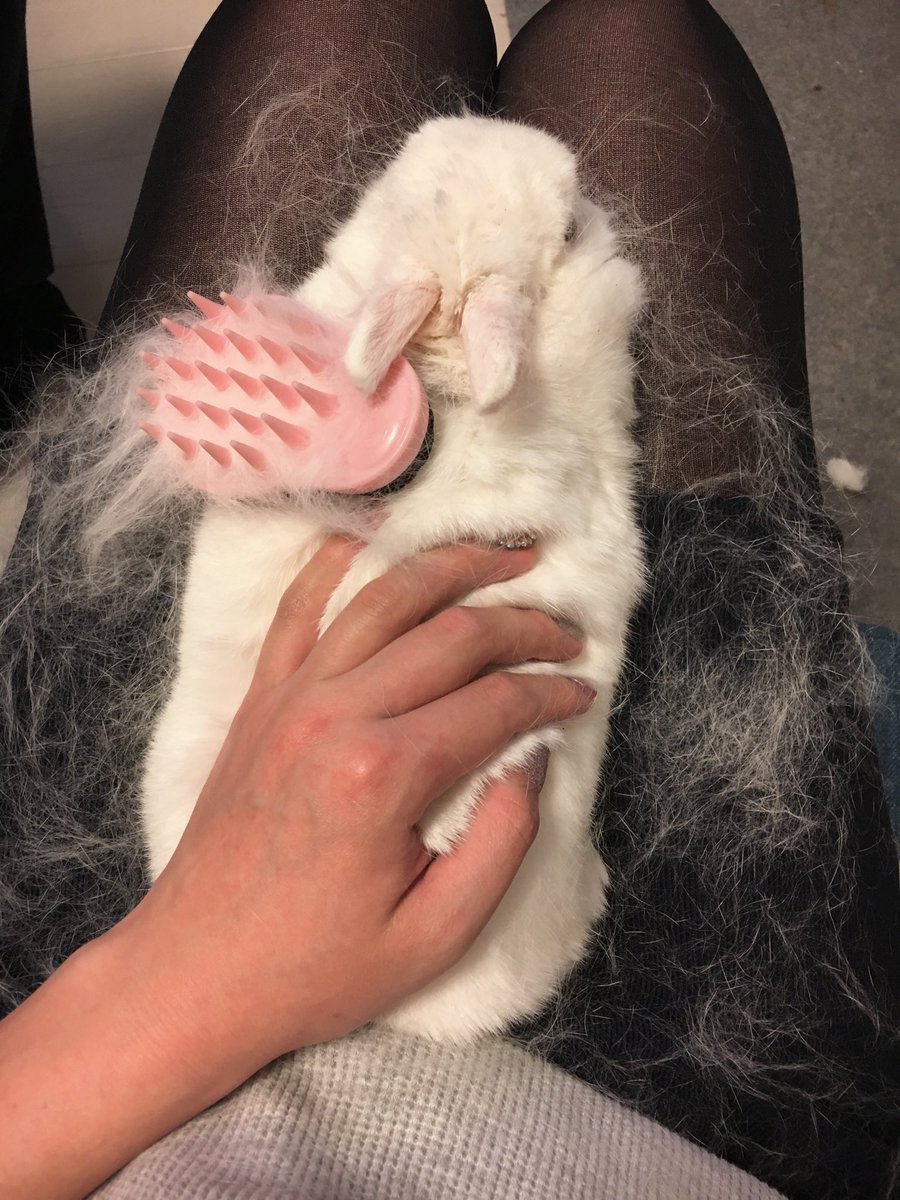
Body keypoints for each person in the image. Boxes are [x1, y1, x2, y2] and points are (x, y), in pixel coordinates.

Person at [1, 2, 897, 1199]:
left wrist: (154, 994)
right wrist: (197, 992)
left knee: (330, 20)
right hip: (661, 1113)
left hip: (66, 1038)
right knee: (633, 38)